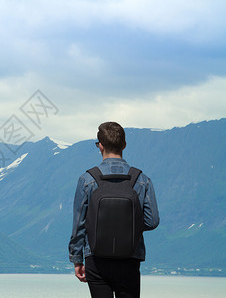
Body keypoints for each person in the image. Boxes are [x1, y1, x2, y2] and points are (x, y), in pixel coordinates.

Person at [68, 122, 160, 298]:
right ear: (124, 145)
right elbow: (152, 221)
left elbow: (79, 224)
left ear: (100, 145)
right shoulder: (141, 179)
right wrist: (128, 225)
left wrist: (77, 259)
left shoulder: (87, 179)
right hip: (130, 257)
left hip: (95, 258)